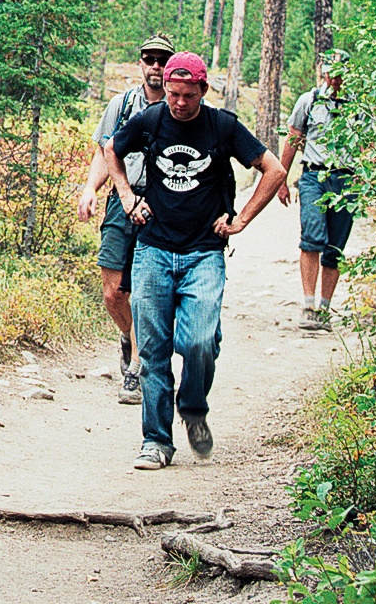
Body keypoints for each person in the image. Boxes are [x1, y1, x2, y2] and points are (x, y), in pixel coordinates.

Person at [105, 52, 286, 469]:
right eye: (172, 94)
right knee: (152, 351)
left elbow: (272, 168)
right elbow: (112, 149)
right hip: (152, 248)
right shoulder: (151, 120)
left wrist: (241, 219)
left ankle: (193, 406)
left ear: (203, 90)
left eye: (188, 95)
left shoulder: (222, 126)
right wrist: (127, 196)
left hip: (204, 252)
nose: (179, 103)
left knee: (200, 342)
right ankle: (156, 442)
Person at [77, 36, 173, 401]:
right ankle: (128, 337)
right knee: (113, 292)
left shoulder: (179, 106)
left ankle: (137, 368)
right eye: (149, 59)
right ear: (140, 63)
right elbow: (105, 150)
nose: (155, 66)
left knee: (149, 292)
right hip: (122, 198)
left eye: (162, 60)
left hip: (162, 206)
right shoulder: (122, 105)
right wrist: (90, 189)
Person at [280, 57, 357, 328]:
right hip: (313, 175)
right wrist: (282, 178)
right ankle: (309, 304)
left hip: (346, 179)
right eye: (329, 75)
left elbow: (369, 144)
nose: (334, 81)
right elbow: (293, 137)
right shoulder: (309, 101)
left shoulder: (358, 106)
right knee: (312, 236)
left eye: (339, 75)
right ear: (323, 74)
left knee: (335, 247)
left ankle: (324, 309)